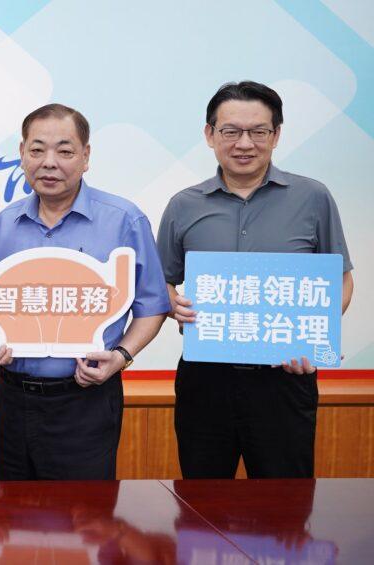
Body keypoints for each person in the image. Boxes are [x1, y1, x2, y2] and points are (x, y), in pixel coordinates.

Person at [157, 81, 354, 478]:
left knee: (286, 501)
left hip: (285, 377)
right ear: (210, 134)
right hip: (205, 377)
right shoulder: (183, 205)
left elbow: (342, 281)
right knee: (202, 499)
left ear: (276, 135)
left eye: (258, 131)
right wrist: (173, 305)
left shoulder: (313, 197)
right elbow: (162, 283)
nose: (244, 143)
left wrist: (313, 333)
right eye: (231, 131)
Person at [0, 103, 169, 480]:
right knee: (14, 508)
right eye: (37, 149)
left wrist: (121, 356)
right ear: (22, 154)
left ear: (85, 156)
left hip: (86, 398)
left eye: (64, 150)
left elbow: (153, 306)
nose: (49, 162)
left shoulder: (124, 220)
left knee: (85, 511)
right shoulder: (3, 225)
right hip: (14, 397)